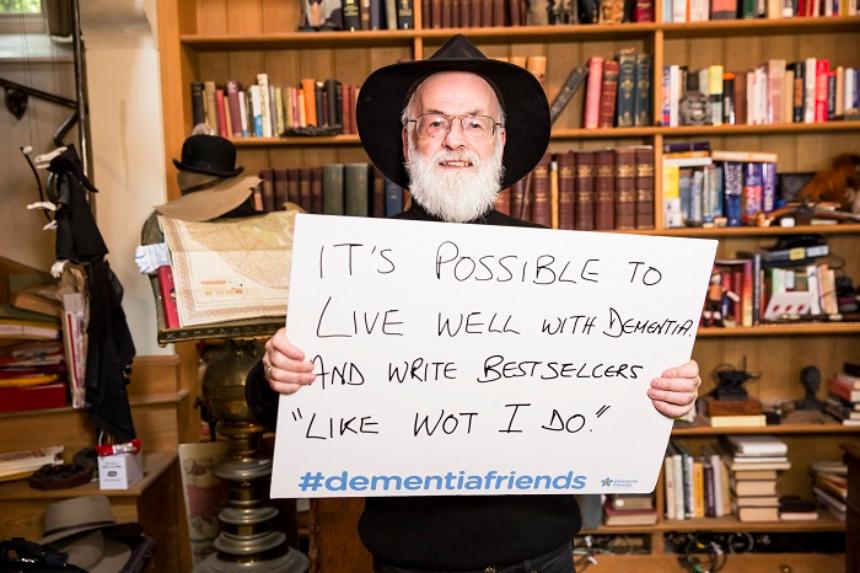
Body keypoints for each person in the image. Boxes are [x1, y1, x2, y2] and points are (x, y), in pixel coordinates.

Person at [244, 34, 702, 573]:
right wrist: (275, 374)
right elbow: (270, 405)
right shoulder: (352, 264)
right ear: (409, 140)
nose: (455, 140)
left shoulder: (562, 266)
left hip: (540, 557)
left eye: (475, 123)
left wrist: (671, 390)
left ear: (499, 142)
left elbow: (619, 387)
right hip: (412, 562)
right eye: (435, 122)